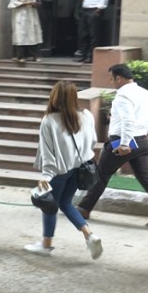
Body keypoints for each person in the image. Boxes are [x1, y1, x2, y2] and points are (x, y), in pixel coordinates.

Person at [76, 63, 148, 229]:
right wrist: (147, 134)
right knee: (146, 178)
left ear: (118, 78)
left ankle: (84, 208)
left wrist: (124, 143)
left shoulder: (123, 95)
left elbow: (128, 121)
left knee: (101, 173)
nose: (112, 82)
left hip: (123, 142)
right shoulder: (147, 94)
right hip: (141, 141)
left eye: (112, 79)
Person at [24, 80, 104, 259]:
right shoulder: (86, 115)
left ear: (54, 97)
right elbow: (92, 141)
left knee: (49, 206)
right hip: (80, 168)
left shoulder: (49, 120)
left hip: (59, 171)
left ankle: (46, 245)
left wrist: (46, 175)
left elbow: (47, 152)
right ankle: (89, 235)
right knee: (65, 203)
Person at [73, 0, 109, 64]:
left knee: (94, 35)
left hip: (95, 10)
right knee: (83, 34)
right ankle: (82, 55)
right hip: (85, 10)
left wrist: (99, 9)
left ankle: (91, 56)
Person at [7, 0, 43, 64]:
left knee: (32, 33)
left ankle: (34, 55)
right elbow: (12, 3)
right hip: (21, 15)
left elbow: (34, 0)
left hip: (31, 14)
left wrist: (36, 4)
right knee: (21, 34)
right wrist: (25, 3)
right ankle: (20, 56)